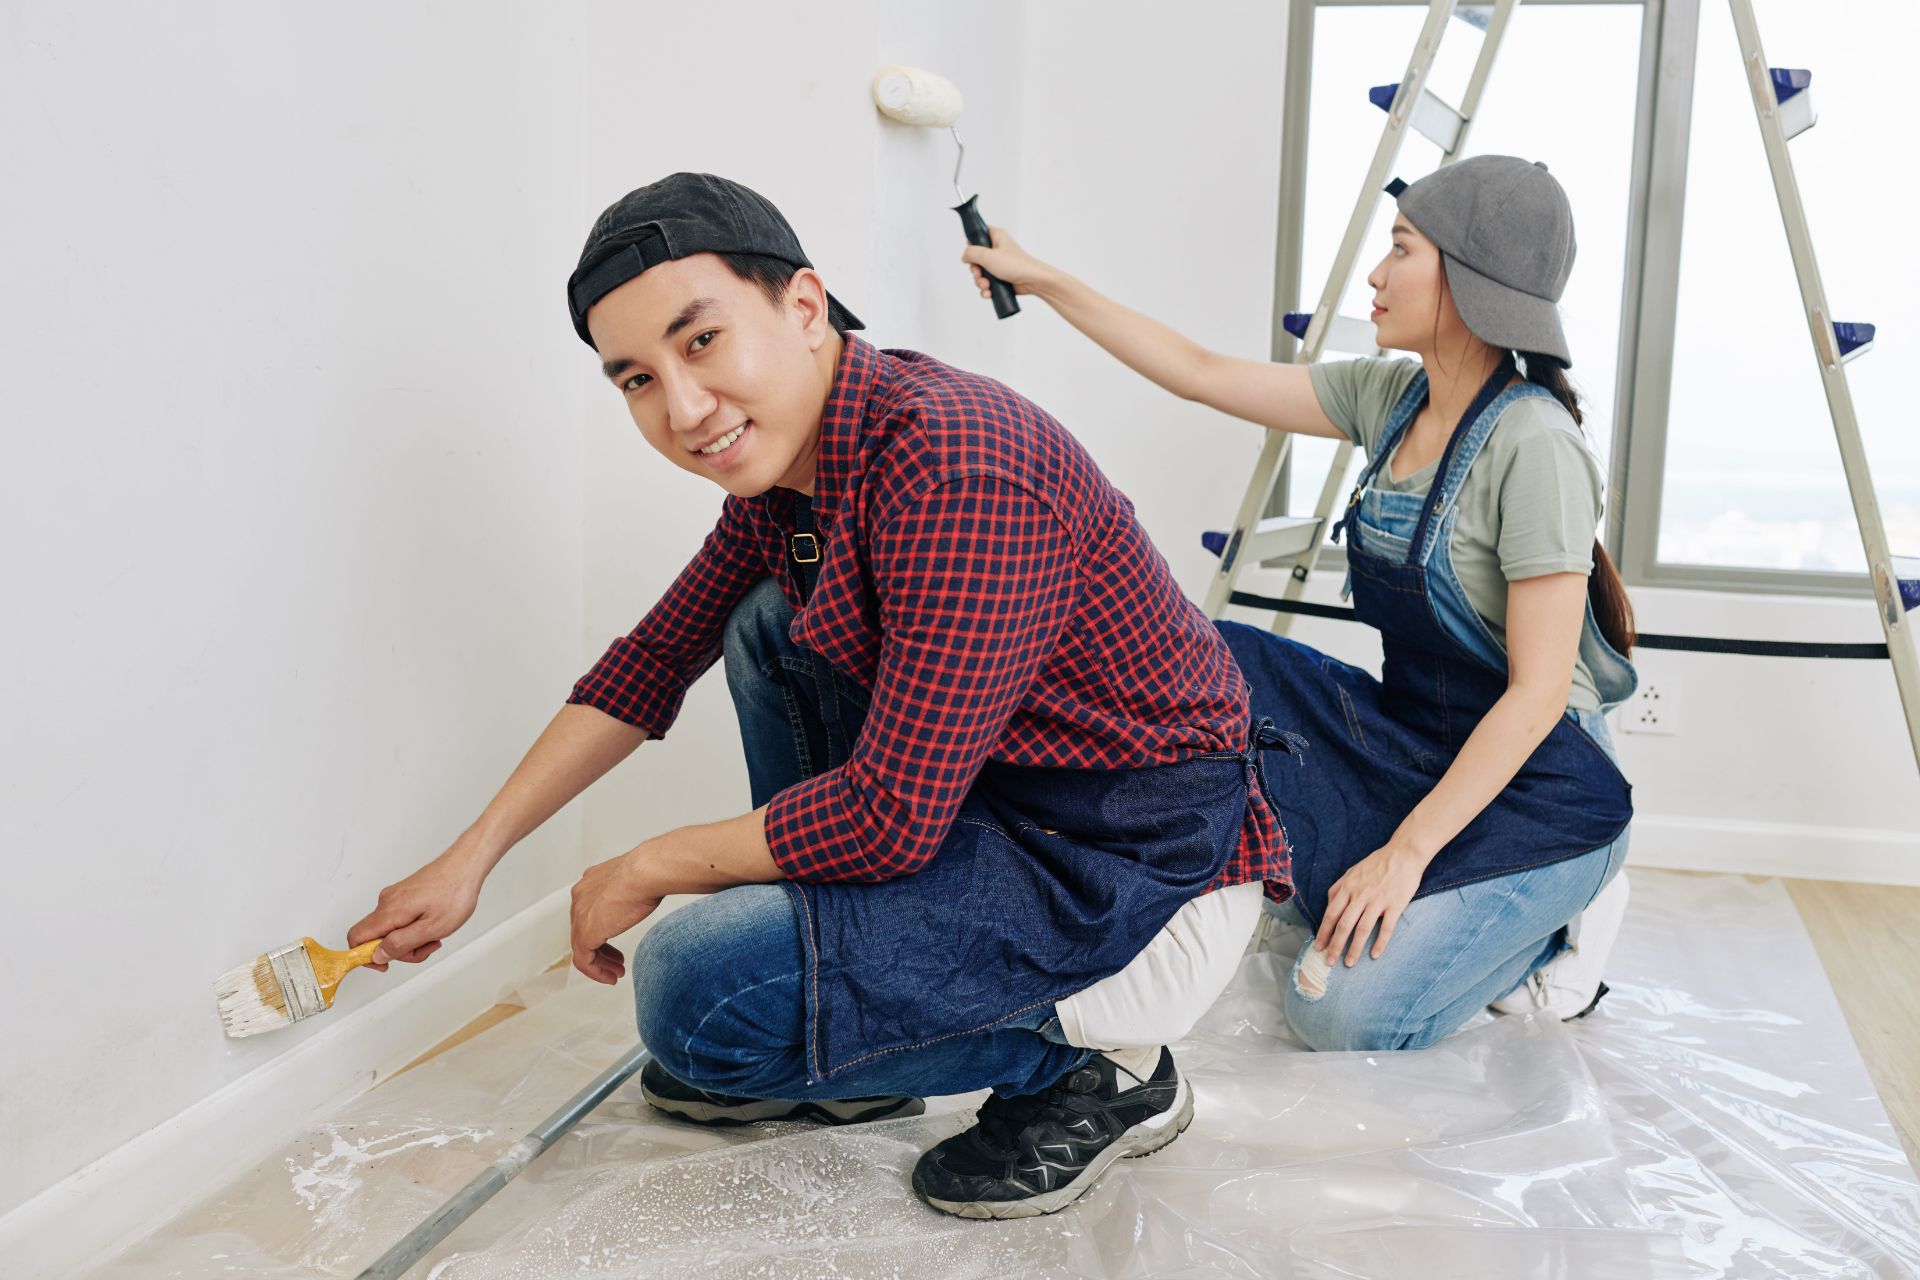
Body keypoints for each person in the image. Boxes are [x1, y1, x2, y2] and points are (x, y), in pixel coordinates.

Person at [346, 172, 1293, 1220]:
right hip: (999, 804)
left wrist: (645, 863)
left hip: (1132, 867)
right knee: (769, 624)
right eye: (636, 379)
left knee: (695, 997)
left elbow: (888, 818)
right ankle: (877, 1038)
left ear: (803, 307)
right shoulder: (800, 467)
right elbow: (650, 660)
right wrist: (471, 857)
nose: (682, 407)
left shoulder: (953, 463)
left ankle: (1103, 1071)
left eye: (699, 341)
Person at [962, 155, 1636, 1052]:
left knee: (1337, 1014)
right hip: (1418, 739)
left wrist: (1404, 856)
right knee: (1211, 660)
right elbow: (1199, 371)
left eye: (1400, 250)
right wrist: (1044, 280)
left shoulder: (1536, 446)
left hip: (1540, 780)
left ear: (1467, 280)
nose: (1375, 274)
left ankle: (1562, 921)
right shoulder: (1390, 397)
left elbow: (1538, 693)